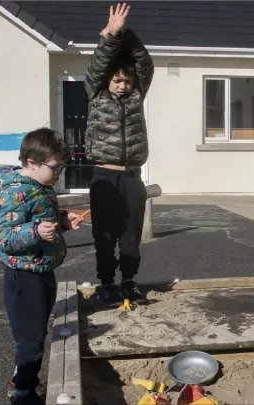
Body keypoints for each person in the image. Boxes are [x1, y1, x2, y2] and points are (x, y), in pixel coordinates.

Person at [0, 128, 81, 405]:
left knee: (36, 331)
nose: (59, 172)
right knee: (31, 338)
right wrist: (36, 232)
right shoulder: (13, 193)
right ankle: (23, 393)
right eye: (55, 167)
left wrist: (62, 221)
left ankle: (23, 378)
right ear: (31, 162)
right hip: (24, 275)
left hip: (41, 269)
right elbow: (1, 237)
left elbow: (40, 217)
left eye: (62, 166)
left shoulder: (39, 186)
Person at [84, 3, 154, 306]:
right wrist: (110, 38)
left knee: (130, 236)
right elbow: (99, 64)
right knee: (104, 235)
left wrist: (125, 35)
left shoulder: (138, 96)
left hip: (131, 177)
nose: (123, 85)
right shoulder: (96, 93)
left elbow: (144, 63)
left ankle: (128, 280)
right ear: (107, 81)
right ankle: (107, 282)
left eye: (127, 80)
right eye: (117, 80)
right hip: (103, 175)